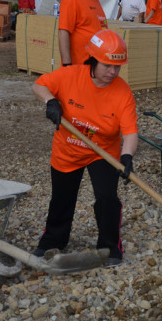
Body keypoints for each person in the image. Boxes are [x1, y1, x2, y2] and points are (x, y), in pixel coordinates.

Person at [32, 29, 139, 267]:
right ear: (93, 59)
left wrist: (127, 156)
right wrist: (51, 101)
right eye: (107, 66)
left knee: (107, 198)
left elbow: (130, 132)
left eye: (117, 67)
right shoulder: (70, 76)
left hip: (103, 152)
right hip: (67, 148)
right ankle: (53, 241)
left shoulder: (122, 92)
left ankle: (110, 246)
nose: (112, 72)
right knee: (61, 198)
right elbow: (38, 85)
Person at [58, 0, 108, 67]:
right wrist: (67, 64)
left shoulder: (95, 0)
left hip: (95, 65)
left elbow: (102, 28)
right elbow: (63, 32)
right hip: (79, 66)